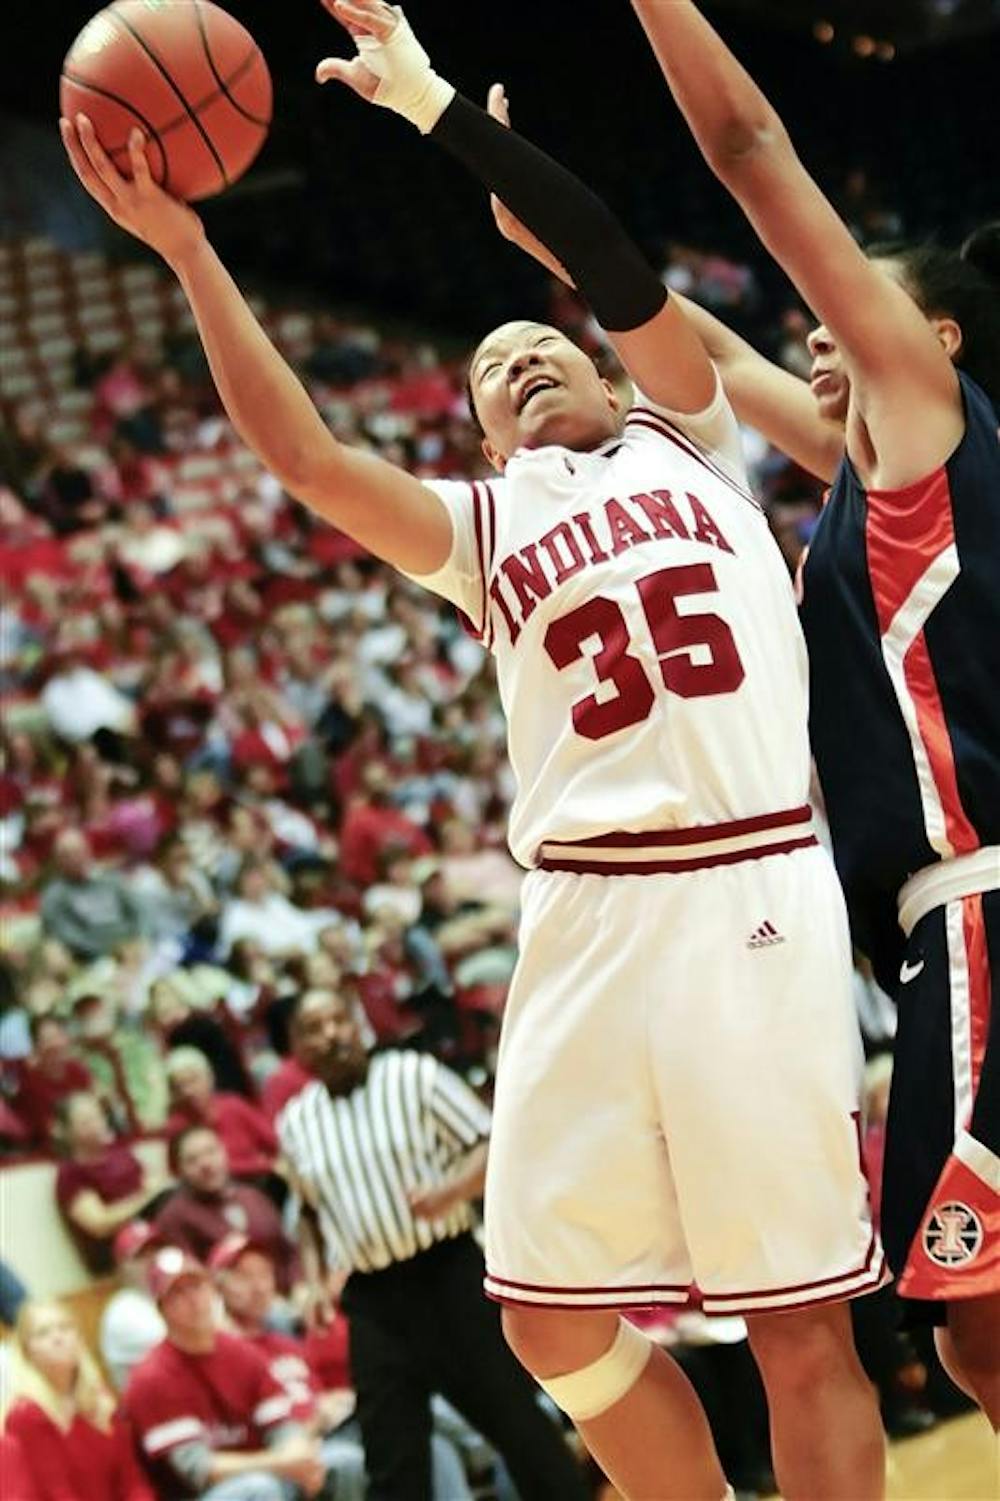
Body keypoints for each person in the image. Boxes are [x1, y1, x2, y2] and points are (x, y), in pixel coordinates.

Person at [59, 3, 883, 1493]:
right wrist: (190, 252)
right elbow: (305, 460)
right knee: (544, 1313)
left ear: (622, 377)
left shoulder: (689, 436)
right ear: (484, 441)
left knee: (797, 1322)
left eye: (543, 342)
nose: (520, 359)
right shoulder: (484, 525)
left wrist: (436, 105)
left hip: (742, 885)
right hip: (578, 915)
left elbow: (606, 257)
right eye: (494, 369)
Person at [625, 0, 1000, 1431]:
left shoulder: (930, 418)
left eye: (845, 318)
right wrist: (550, 219)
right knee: (972, 1338)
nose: (816, 339)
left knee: (980, 1319)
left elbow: (745, 142)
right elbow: (707, 359)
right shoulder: (871, 488)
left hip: (982, 907)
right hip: (933, 936)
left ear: (931, 334)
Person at [278, 988, 587, 1501]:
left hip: (448, 1276)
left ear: (359, 1026)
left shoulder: (413, 1076)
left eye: (339, 1019)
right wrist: (311, 1283)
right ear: (297, 1049)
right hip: (372, 1300)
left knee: (516, 1422)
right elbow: (309, 1213)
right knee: (391, 1455)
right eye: (314, 1028)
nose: (331, 1035)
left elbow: (491, 1144)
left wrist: (450, 1191)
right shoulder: (295, 1121)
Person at [208, 1233, 480, 1501]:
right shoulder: (222, 1351)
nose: (257, 1286)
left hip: (338, 1425)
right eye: (244, 1276)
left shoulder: (287, 1339)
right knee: (409, 1412)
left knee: (433, 1445)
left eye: (264, 1274)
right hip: (302, 1444)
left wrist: (331, 1401)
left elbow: (317, 1389)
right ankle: (485, 1441)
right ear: (218, 1287)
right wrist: (313, 1422)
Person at [123, 1247, 330, 1500]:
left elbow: (282, 1423)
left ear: (212, 1290)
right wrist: (280, 1462)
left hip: (264, 1468)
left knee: (339, 1461)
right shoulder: (151, 1377)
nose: (194, 1300)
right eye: (178, 1293)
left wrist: (298, 1456)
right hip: (202, 1493)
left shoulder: (239, 1350)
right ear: (161, 1308)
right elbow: (199, 1470)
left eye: (198, 1286)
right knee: (259, 1489)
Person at [4, 1299, 155, 1500]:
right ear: (27, 1352)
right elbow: (58, 1493)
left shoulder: (100, 1399)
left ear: (79, 1339)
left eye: (65, 1328)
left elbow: (131, 1479)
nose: (57, 1337)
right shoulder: (26, 1415)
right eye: (43, 1333)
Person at [154, 1124, 296, 1285]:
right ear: (178, 1171)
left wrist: (300, 1286)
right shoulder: (174, 1217)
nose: (205, 1164)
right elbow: (189, 1281)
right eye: (192, 1160)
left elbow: (289, 1252)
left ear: (224, 1152)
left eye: (211, 1152)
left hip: (288, 1293)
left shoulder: (252, 1196)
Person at [54, 1091, 168, 1275]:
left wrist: (156, 1190)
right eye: (86, 1121)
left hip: (156, 1226)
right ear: (67, 1132)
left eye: (98, 1116)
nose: (97, 1125)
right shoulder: (71, 1173)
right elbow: (100, 1223)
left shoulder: (119, 1151)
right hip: (123, 1252)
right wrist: (146, 1197)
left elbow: (153, 1180)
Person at [164, 1047, 279, 1182]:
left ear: (209, 1079)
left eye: (192, 1081)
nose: (187, 1091)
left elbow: (274, 1143)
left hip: (257, 1182)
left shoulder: (233, 1106)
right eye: (178, 1087)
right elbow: (178, 1174)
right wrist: (254, 1165)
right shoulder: (176, 1127)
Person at [99, 1221, 169, 1393]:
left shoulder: (174, 1293)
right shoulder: (123, 1313)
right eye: (141, 1255)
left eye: (157, 1250)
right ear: (122, 1268)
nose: (153, 1259)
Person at [13, 1013, 92, 1147]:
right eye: (46, 1039)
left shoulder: (78, 1071)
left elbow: (92, 1111)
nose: (54, 1044)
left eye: (58, 1036)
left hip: (87, 1144)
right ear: (36, 1046)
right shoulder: (30, 1083)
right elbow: (47, 1131)